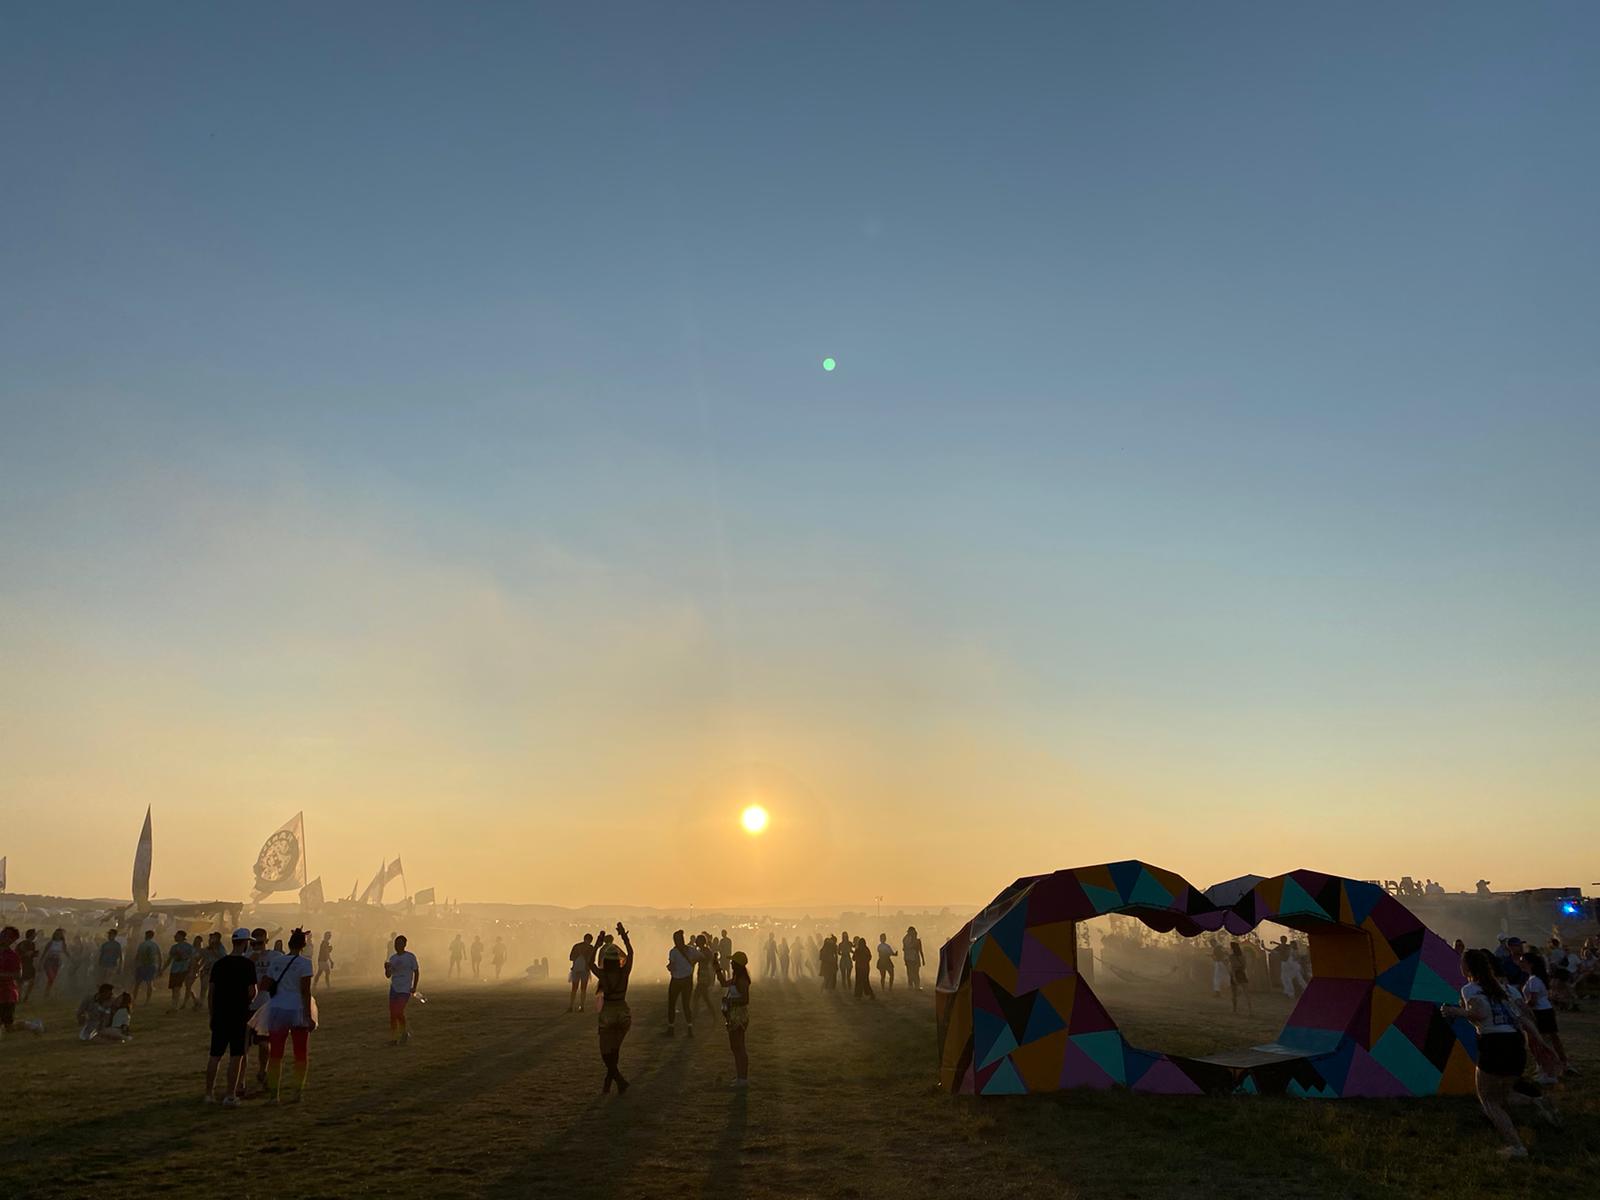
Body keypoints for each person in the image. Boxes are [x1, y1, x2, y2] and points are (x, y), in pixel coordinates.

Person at [1440, 948, 1559, 1157]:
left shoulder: (1470, 989)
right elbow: (1523, 1018)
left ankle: (1516, 1146)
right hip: (1515, 1042)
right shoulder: (1502, 989)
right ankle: (1536, 1102)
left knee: (1488, 1100)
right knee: (1503, 1096)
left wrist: (1454, 1011)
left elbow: (1479, 1013)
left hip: (1494, 1044)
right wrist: (1541, 1042)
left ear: (1467, 967)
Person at [205, 928, 258, 1106]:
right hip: (239, 1015)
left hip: (220, 1014)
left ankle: (208, 1094)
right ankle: (230, 1095)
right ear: (245, 943)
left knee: (215, 1055)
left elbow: (210, 993)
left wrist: (212, 1015)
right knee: (236, 1055)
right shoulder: (248, 965)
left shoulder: (219, 964)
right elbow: (252, 992)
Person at [263, 928, 316, 1103]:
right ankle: (297, 1092)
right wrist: (309, 1016)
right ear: (303, 945)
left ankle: (273, 1095)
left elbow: (265, 984)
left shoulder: (277, 961)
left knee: (276, 1054)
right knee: (300, 1053)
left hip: (277, 1007)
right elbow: (305, 992)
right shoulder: (305, 963)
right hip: (297, 1008)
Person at [590, 923, 634, 1094]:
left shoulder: (603, 975)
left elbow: (590, 962)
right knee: (615, 1050)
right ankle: (610, 1080)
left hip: (608, 1013)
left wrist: (597, 943)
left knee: (605, 1052)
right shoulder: (624, 973)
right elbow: (630, 953)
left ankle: (618, 1079)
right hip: (623, 1012)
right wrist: (624, 937)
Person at [1519, 952, 1572, 1080]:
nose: (1520, 963)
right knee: (1552, 1039)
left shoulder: (1534, 980)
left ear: (1530, 963)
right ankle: (1561, 1063)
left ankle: (1548, 1069)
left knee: (1541, 1042)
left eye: (1522, 961)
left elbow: (1533, 1000)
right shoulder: (1536, 978)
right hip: (1546, 1010)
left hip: (1540, 1012)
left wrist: (1520, 1007)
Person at [716, 948, 752, 1088]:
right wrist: (717, 968)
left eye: (732, 962)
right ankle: (740, 1077)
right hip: (733, 1014)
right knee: (735, 1047)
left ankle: (743, 1078)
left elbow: (745, 999)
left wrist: (730, 1002)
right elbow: (723, 983)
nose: (730, 964)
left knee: (739, 1047)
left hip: (738, 1014)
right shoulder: (737, 977)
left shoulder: (742, 980)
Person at [385, 934, 421, 1045]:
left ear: (404, 945)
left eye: (399, 944)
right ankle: (394, 1038)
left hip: (405, 989)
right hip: (394, 988)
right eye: (396, 944)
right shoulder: (393, 958)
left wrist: (414, 986)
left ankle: (403, 1033)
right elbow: (388, 975)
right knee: (393, 1014)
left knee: (398, 1011)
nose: (397, 946)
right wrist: (386, 968)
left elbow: (416, 971)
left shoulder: (410, 957)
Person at [665, 929, 699, 1037]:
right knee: (686, 1005)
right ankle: (689, 1029)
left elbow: (672, 966)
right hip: (687, 980)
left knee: (672, 1004)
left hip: (676, 980)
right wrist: (693, 964)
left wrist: (670, 967)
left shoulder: (673, 952)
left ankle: (671, 1029)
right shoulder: (691, 950)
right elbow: (702, 957)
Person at [164, 931, 197, 1010]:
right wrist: (163, 969)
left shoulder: (188, 947)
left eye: (176, 935)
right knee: (176, 988)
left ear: (181, 937)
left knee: (177, 988)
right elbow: (169, 959)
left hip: (183, 969)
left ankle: (174, 1006)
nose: (174, 936)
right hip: (174, 970)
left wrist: (192, 970)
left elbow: (193, 959)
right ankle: (195, 1000)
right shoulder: (174, 947)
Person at [132, 930, 162, 1004]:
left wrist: (134, 965)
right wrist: (159, 967)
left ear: (146, 936)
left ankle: (134, 999)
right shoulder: (155, 945)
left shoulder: (142, 944)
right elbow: (160, 956)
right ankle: (147, 1000)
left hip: (142, 965)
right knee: (149, 983)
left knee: (137, 984)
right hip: (151, 965)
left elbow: (137, 956)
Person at [568, 933, 596, 1012]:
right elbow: (592, 960)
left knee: (574, 988)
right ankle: (581, 1006)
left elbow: (571, 957)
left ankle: (571, 1006)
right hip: (585, 969)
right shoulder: (591, 948)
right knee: (583, 989)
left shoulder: (577, 946)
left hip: (576, 969)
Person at [693, 934, 719, 1018]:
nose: (696, 942)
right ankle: (713, 1016)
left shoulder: (705, 951)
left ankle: (695, 1015)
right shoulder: (703, 950)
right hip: (703, 975)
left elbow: (709, 961)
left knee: (696, 996)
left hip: (704, 976)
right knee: (704, 997)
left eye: (697, 940)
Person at [40, 928, 71, 997]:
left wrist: (70, 958)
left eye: (60, 934)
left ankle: (47, 992)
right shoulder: (51, 942)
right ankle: (49, 991)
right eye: (57, 934)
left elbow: (65, 951)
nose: (58, 935)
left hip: (56, 962)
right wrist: (41, 961)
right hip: (49, 961)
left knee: (52, 979)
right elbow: (44, 952)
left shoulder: (62, 943)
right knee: (51, 977)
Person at [1228, 942, 1252, 1014]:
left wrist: (1234, 977)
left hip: (1235, 974)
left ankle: (1234, 1010)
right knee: (1246, 993)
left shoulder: (1231, 957)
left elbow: (1232, 968)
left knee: (1234, 994)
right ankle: (1250, 1010)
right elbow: (1244, 966)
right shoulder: (1243, 956)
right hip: (1242, 973)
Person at [16, 930, 38, 1004]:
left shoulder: (32, 944)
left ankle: (25, 996)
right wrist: (29, 953)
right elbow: (21, 953)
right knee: (21, 982)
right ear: (31, 935)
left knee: (31, 981)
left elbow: (31, 954)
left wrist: (33, 954)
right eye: (34, 934)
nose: (35, 936)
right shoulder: (24, 943)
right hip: (22, 964)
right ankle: (19, 998)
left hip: (29, 964)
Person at [903, 927, 926, 991]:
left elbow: (920, 950)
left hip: (913, 958)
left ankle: (915, 986)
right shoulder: (907, 940)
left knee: (915, 972)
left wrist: (923, 959)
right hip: (910, 958)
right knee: (911, 972)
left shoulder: (916, 941)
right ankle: (912, 985)